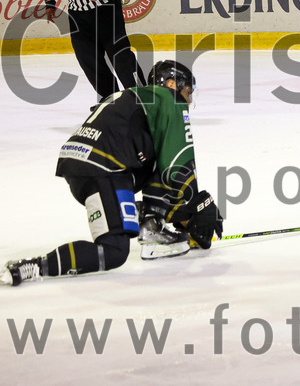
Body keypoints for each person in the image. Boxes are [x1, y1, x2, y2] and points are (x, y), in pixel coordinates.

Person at [1, 61, 224, 287]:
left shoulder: (133, 96)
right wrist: (197, 205)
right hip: (104, 169)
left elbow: (163, 165)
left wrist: (184, 214)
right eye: (187, 92)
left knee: (155, 157)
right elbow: (178, 163)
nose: (188, 100)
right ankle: (35, 266)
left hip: (86, 164)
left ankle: (150, 225)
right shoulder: (170, 99)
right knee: (114, 251)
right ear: (170, 84)